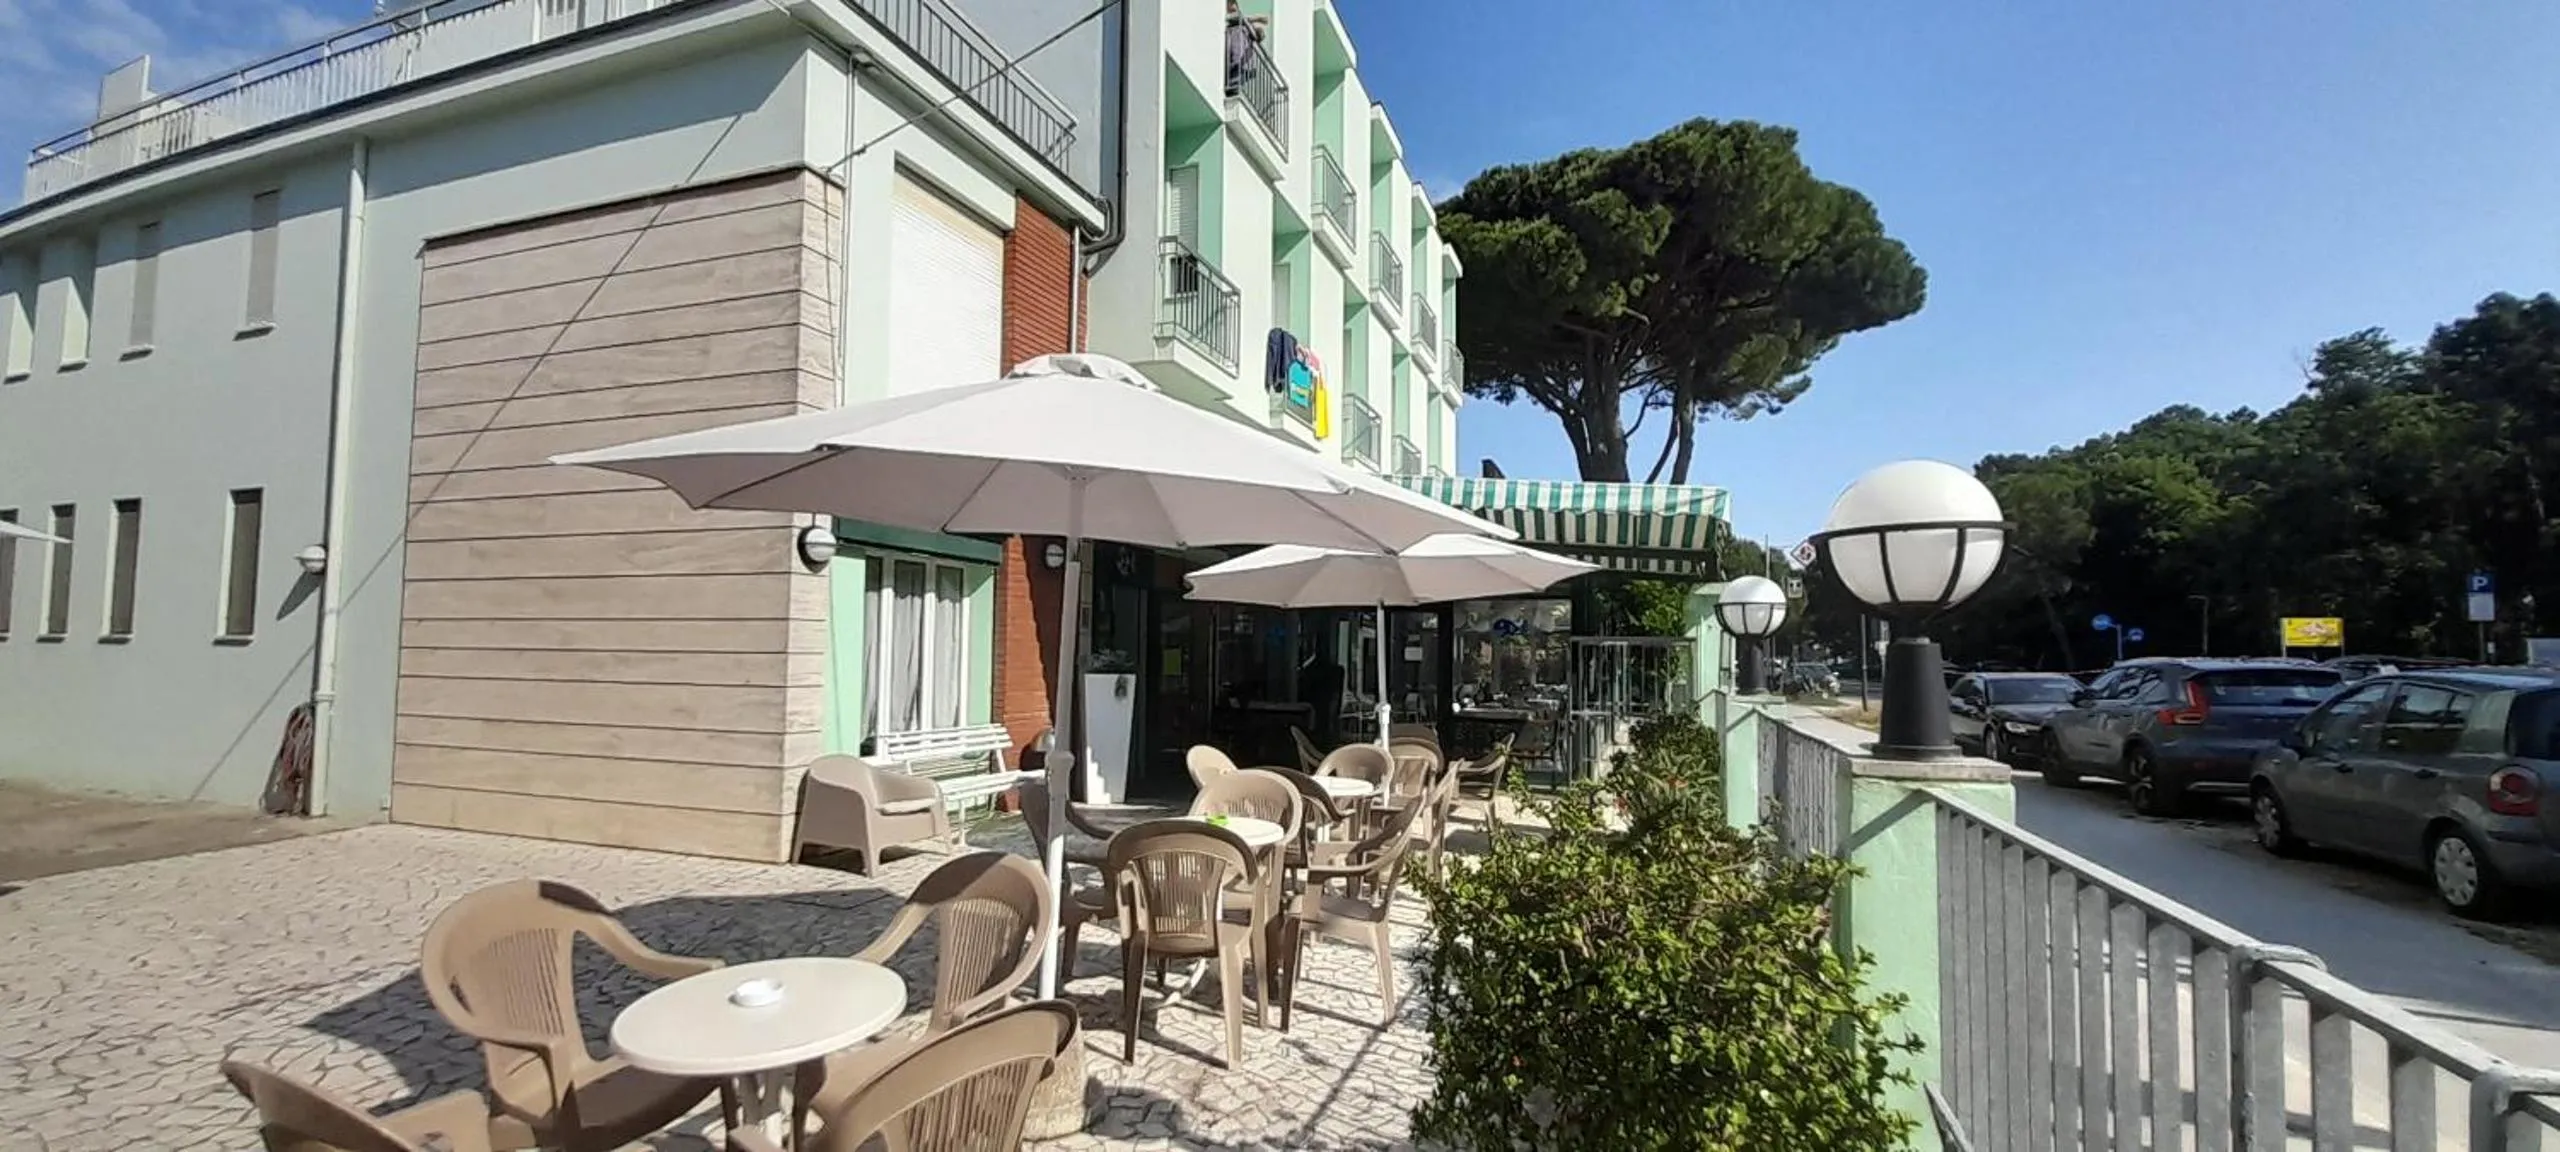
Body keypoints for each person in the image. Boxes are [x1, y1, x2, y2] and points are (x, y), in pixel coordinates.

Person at [1225, 0, 1268, 97]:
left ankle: (1236, 81)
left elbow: (1245, 22)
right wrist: (1258, 18)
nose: (1233, 6)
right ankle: (1233, 84)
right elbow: (1237, 19)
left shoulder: (1241, 23)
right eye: (1230, 3)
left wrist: (1257, 31)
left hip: (1240, 55)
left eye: (1234, 3)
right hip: (1234, 52)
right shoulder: (1230, 19)